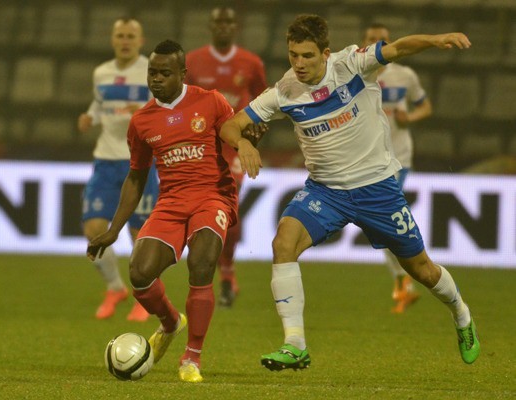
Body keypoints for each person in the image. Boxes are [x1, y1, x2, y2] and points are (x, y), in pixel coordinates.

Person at [220, 14, 480, 371]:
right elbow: (231, 125)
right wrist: (242, 146)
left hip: (377, 189)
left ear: (326, 53)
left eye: (308, 56)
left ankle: (461, 315)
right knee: (283, 244)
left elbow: (400, 47)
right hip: (326, 192)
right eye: (293, 55)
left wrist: (437, 38)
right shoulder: (284, 92)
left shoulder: (353, 65)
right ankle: (295, 344)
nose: (299, 64)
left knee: (422, 270)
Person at [87, 40, 265, 383]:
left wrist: (248, 140)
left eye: (165, 73)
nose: (156, 79)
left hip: (212, 195)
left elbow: (233, 132)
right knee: (139, 273)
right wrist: (113, 230)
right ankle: (171, 323)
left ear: (183, 74)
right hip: (171, 201)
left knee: (201, 264)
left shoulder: (210, 101)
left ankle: (191, 358)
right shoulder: (141, 121)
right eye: (152, 72)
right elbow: (136, 177)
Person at [185, 7, 268, 307]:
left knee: (227, 206)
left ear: (236, 26)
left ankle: (228, 272)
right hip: (200, 146)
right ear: (210, 25)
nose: (223, 26)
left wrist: (255, 137)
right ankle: (212, 273)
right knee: (201, 210)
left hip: (233, 145)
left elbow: (264, 103)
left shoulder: (251, 63)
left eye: (229, 22)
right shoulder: (192, 62)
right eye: (218, 21)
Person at [78, 18, 158, 322]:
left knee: (141, 234)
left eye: (130, 36)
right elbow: (99, 105)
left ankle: (144, 296)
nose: (125, 41)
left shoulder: (151, 71)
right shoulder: (102, 72)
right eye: (120, 36)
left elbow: (164, 109)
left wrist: (144, 113)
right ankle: (115, 287)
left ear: (140, 40)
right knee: (94, 228)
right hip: (106, 160)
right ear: (113, 40)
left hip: (139, 162)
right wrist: (89, 117)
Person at [362, 23, 433, 313]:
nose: (377, 44)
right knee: (379, 223)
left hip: (398, 157)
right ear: (363, 42)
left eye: (383, 40)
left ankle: (405, 281)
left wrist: (410, 118)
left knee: (382, 218)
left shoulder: (405, 75)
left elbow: (425, 106)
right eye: (371, 39)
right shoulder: (355, 73)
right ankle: (404, 280)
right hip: (367, 159)